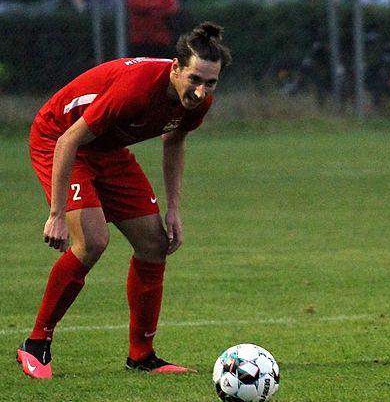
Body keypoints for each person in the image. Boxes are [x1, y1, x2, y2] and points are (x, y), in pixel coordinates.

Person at [17, 22, 232, 379]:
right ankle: (36, 342)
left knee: (154, 244)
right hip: (60, 138)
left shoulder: (198, 103)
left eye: (210, 83)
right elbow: (69, 140)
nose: (200, 91)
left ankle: (142, 356)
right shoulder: (136, 88)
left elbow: (174, 142)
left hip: (106, 147)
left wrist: (174, 209)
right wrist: (56, 213)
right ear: (175, 67)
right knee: (93, 241)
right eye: (195, 78)